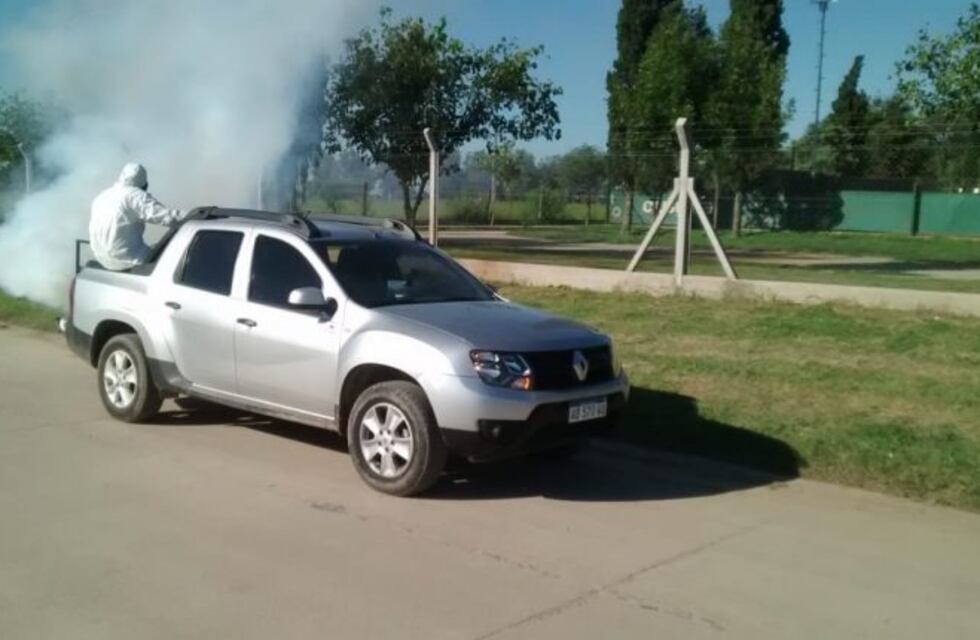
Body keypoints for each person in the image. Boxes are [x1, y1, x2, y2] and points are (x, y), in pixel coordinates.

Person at [89, 162, 188, 271]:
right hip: (130, 260)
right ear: (144, 184)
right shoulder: (135, 195)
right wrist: (196, 215)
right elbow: (166, 217)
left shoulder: (102, 196)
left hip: (103, 260)